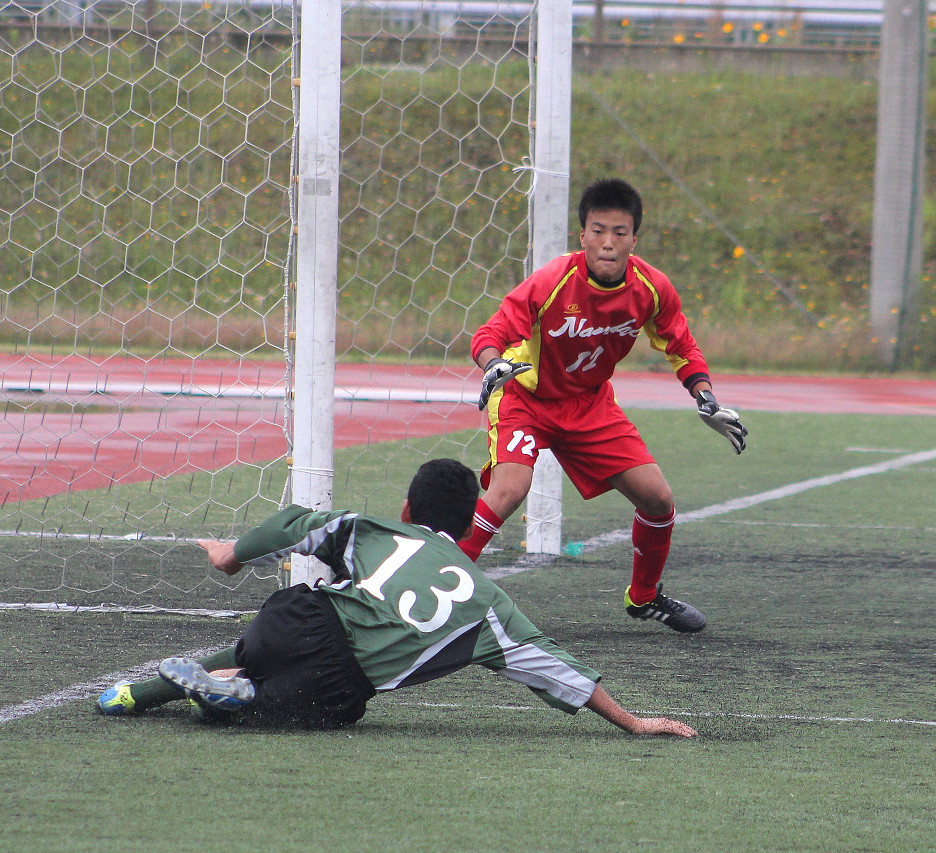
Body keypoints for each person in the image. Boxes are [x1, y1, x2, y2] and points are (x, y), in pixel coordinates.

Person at [96, 459, 696, 738]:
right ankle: (236, 699)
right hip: (336, 678)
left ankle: (134, 693)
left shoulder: (375, 529)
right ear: (468, 532)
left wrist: (233, 554)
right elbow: (553, 669)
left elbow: (297, 523)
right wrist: (632, 721)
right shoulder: (487, 603)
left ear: (409, 512)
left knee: (253, 650)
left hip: (292, 615)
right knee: (325, 714)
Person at [458, 178, 747, 634]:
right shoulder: (553, 280)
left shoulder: (652, 288)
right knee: (511, 489)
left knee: (658, 500)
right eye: (598, 231)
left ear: (634, 238)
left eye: (618, 232)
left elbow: (682, 345)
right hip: (525, 399)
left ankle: (644, 598)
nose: (608, 243)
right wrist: (493, 365)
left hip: (590, 406)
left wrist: (705, 396)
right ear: (582, 235)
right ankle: (439, 587)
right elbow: (491, 332)